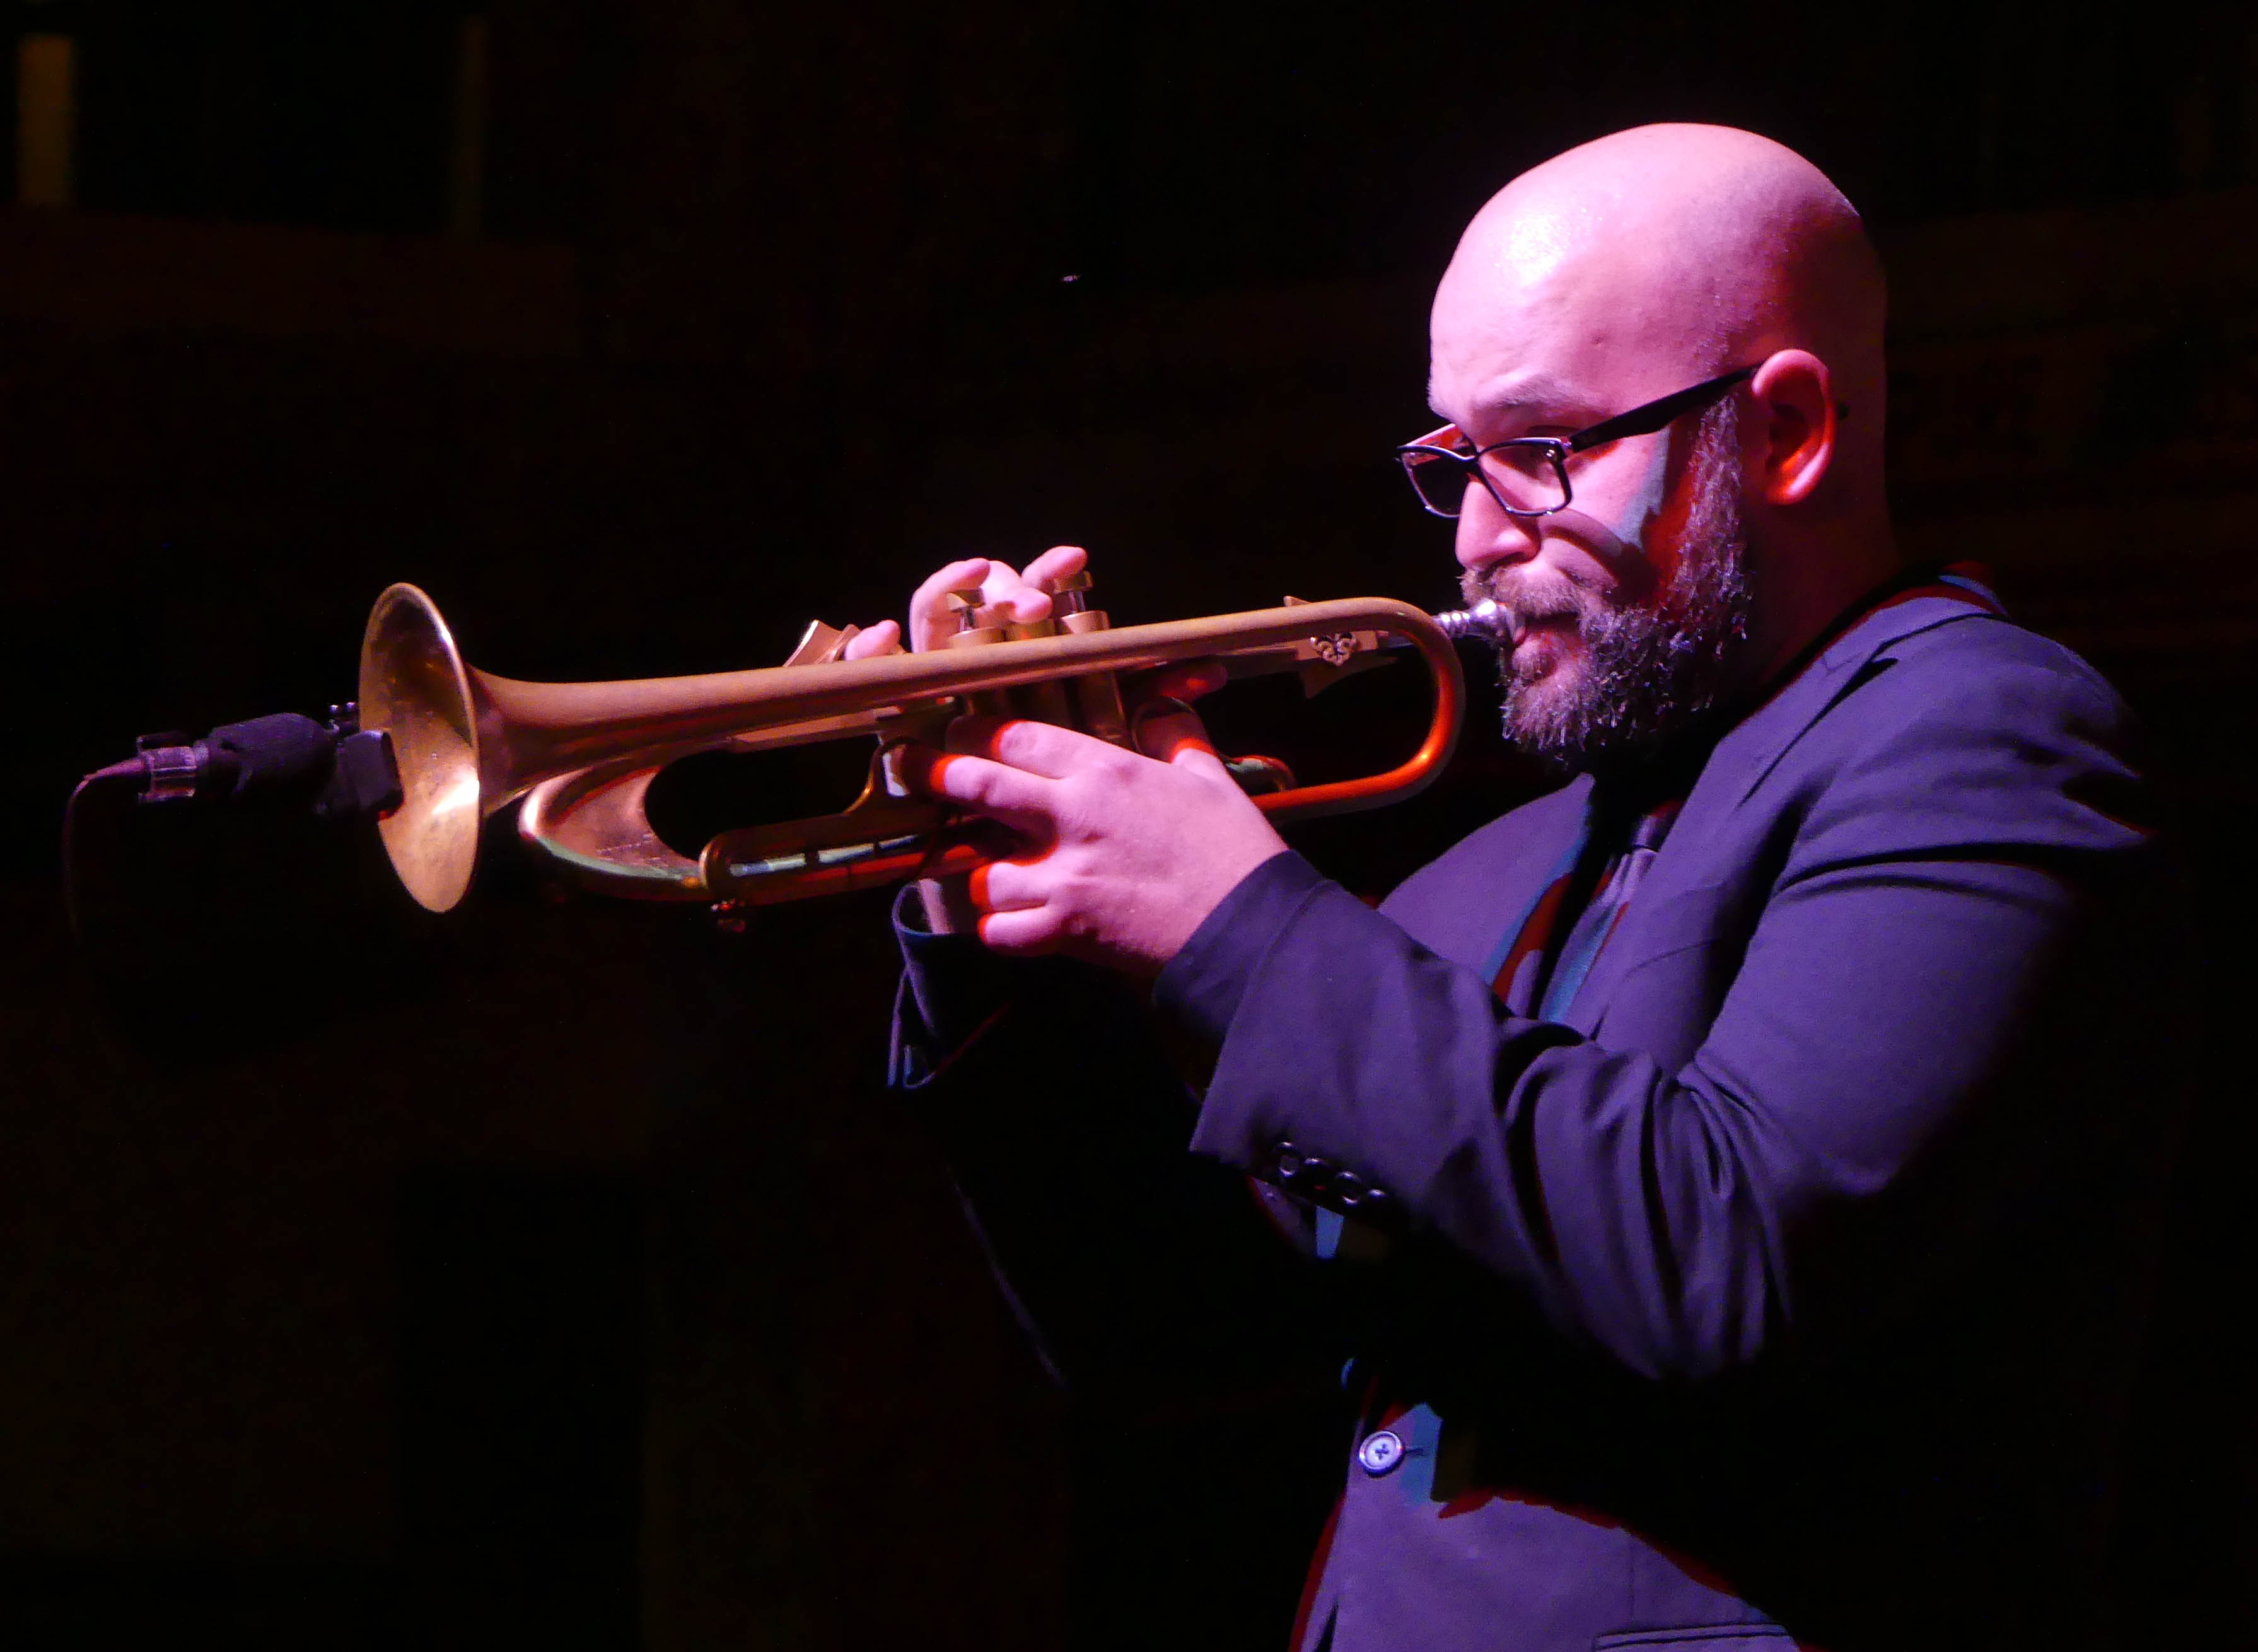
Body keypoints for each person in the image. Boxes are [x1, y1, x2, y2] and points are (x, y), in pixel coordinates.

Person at [842, 125, 2185, 1651]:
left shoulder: (1985, 741)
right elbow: (1183, 1335)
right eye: (1452, 461)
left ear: (1787, 429)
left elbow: (1734, 1251)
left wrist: (1238, 922)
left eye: (1543, 449)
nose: (1480, 539)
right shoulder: (1505, 864)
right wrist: (998, 888)